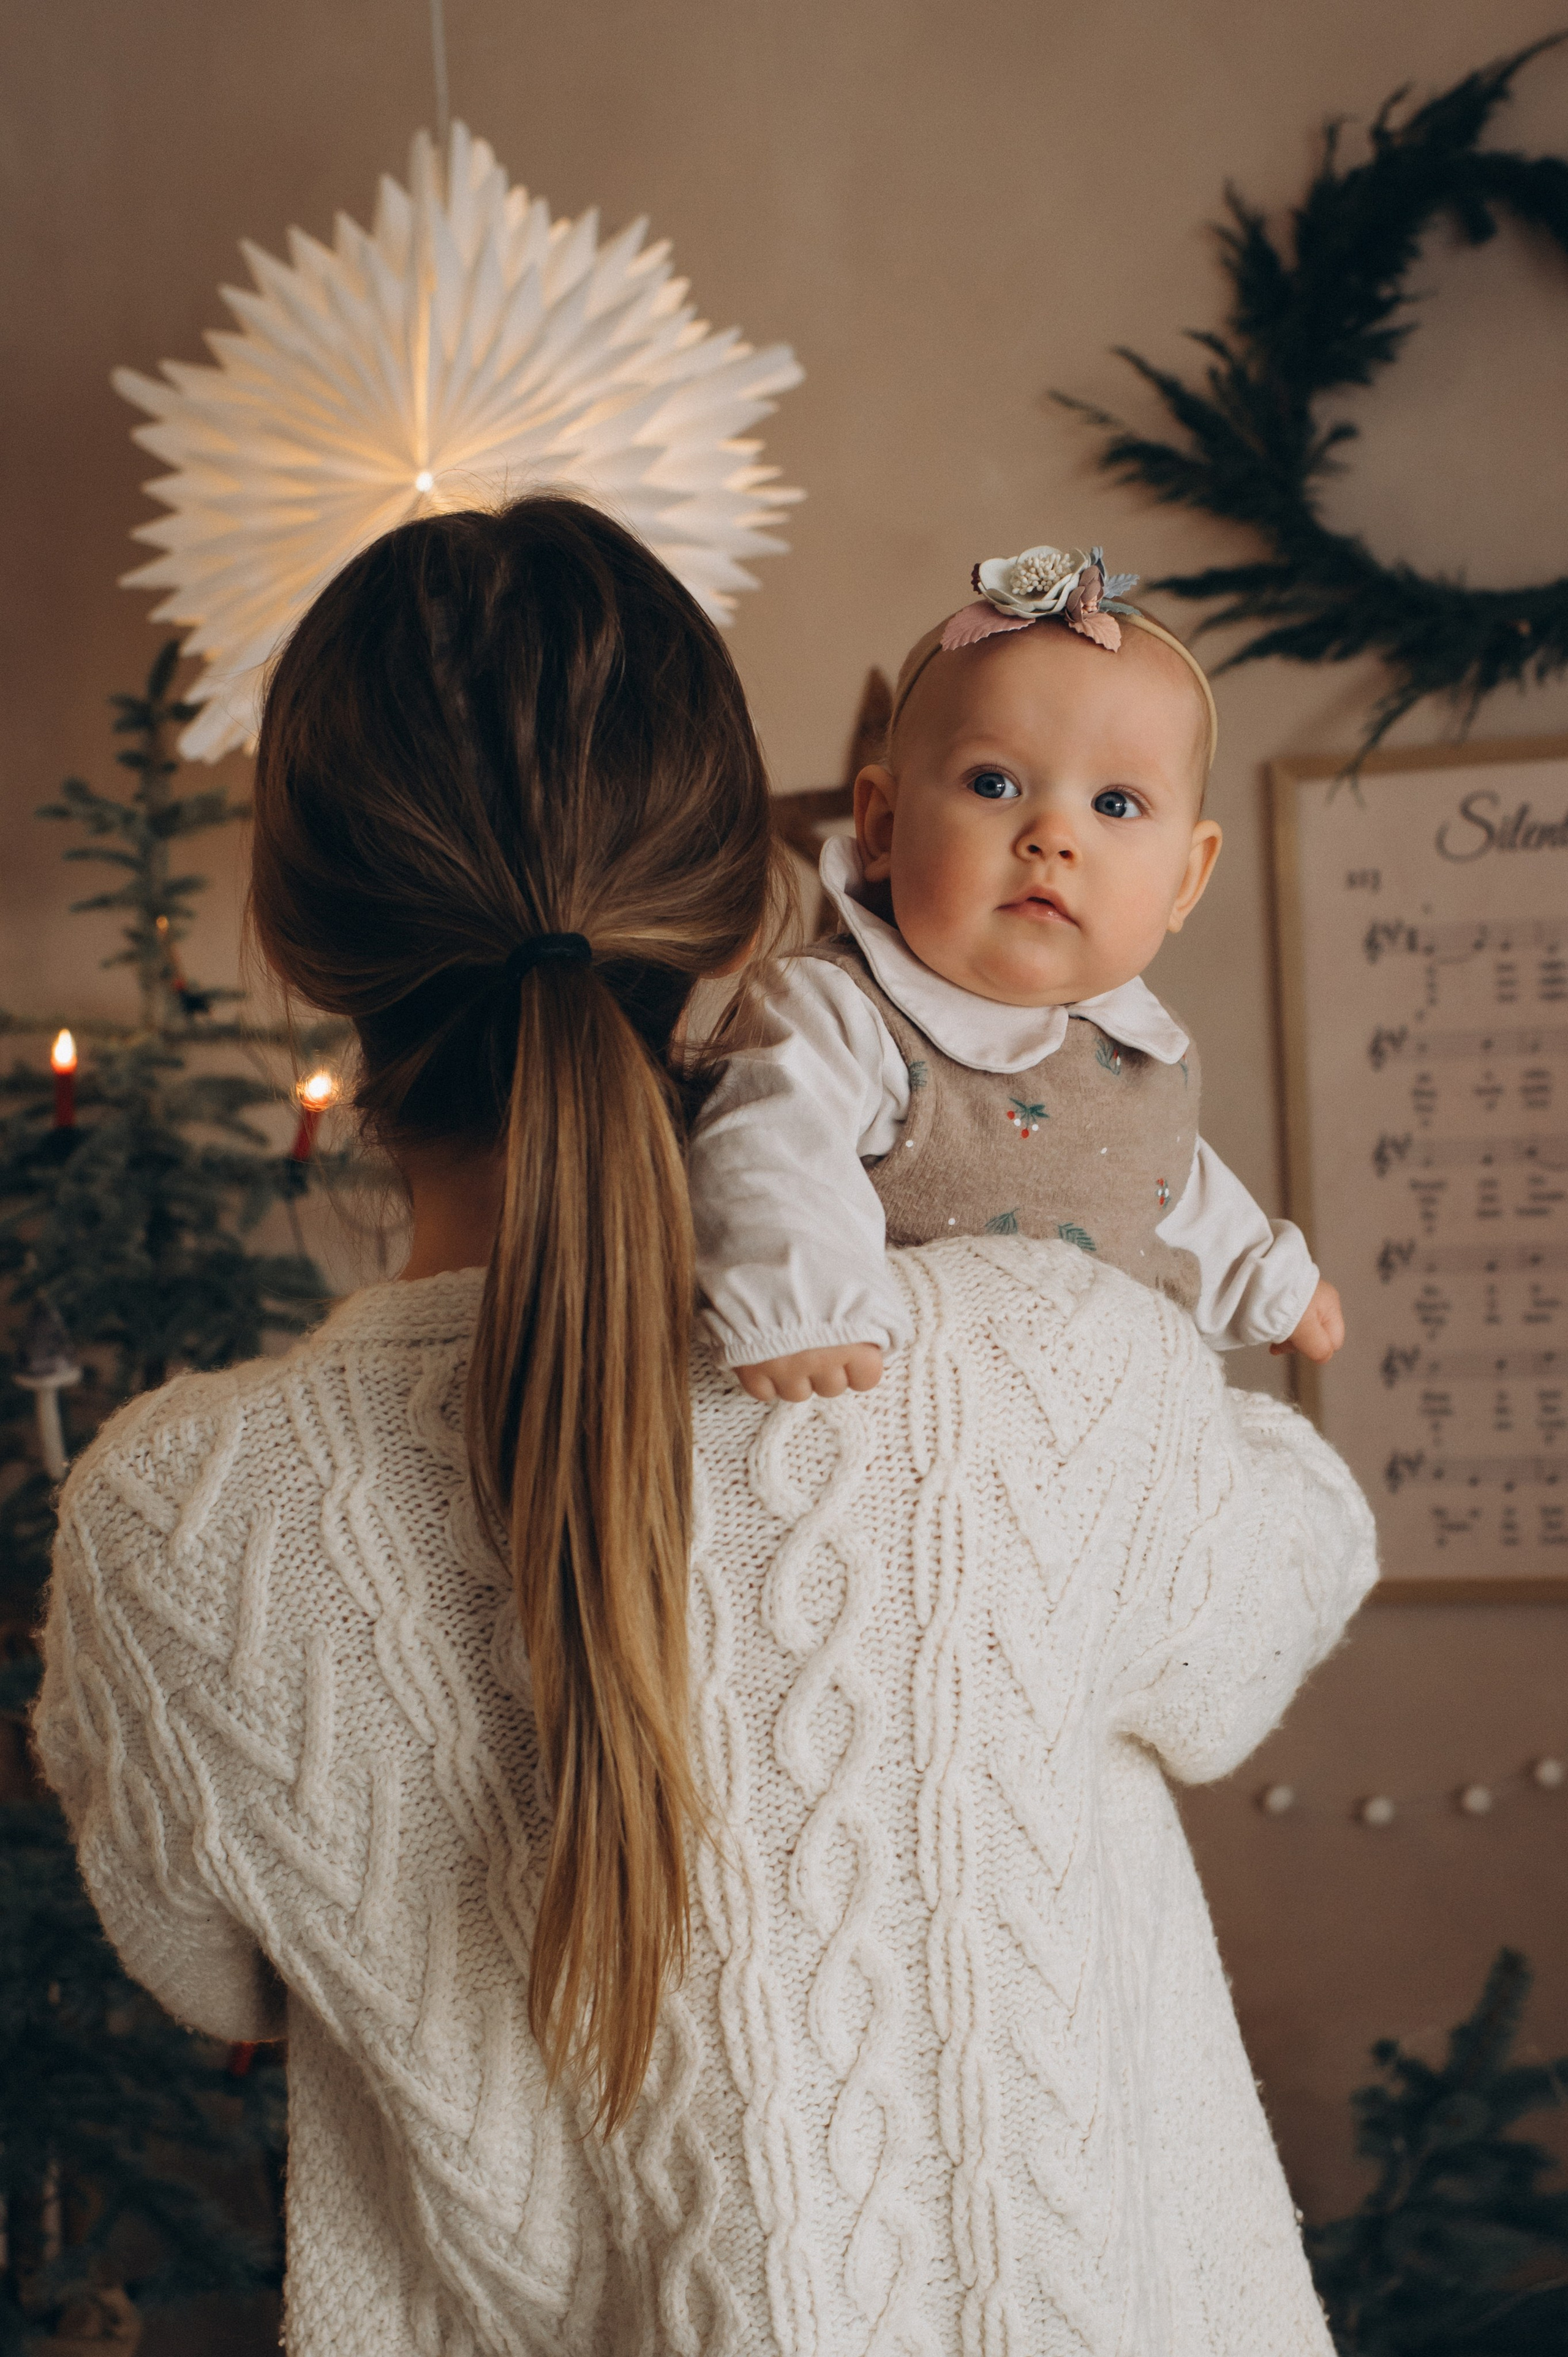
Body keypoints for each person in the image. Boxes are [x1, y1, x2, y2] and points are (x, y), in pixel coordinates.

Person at [34, 497, 1377, 2357]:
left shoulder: (176, 1517)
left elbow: (209, 1967)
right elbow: (1294, 1560)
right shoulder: (1046, 1362)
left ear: (296, 943)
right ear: (774, 887)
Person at [689, 540, 1346, 1402]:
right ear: (883, 827)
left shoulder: (1146, 1052)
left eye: (1115, 804)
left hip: (1099, 1434)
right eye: (994, 784)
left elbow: (1168, 1188)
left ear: (1185, 878)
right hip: (898, 1415)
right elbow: (770, 1153)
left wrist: (1268, 1278)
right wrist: (803, 1307)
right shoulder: (838, 1014)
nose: (1052, 836)